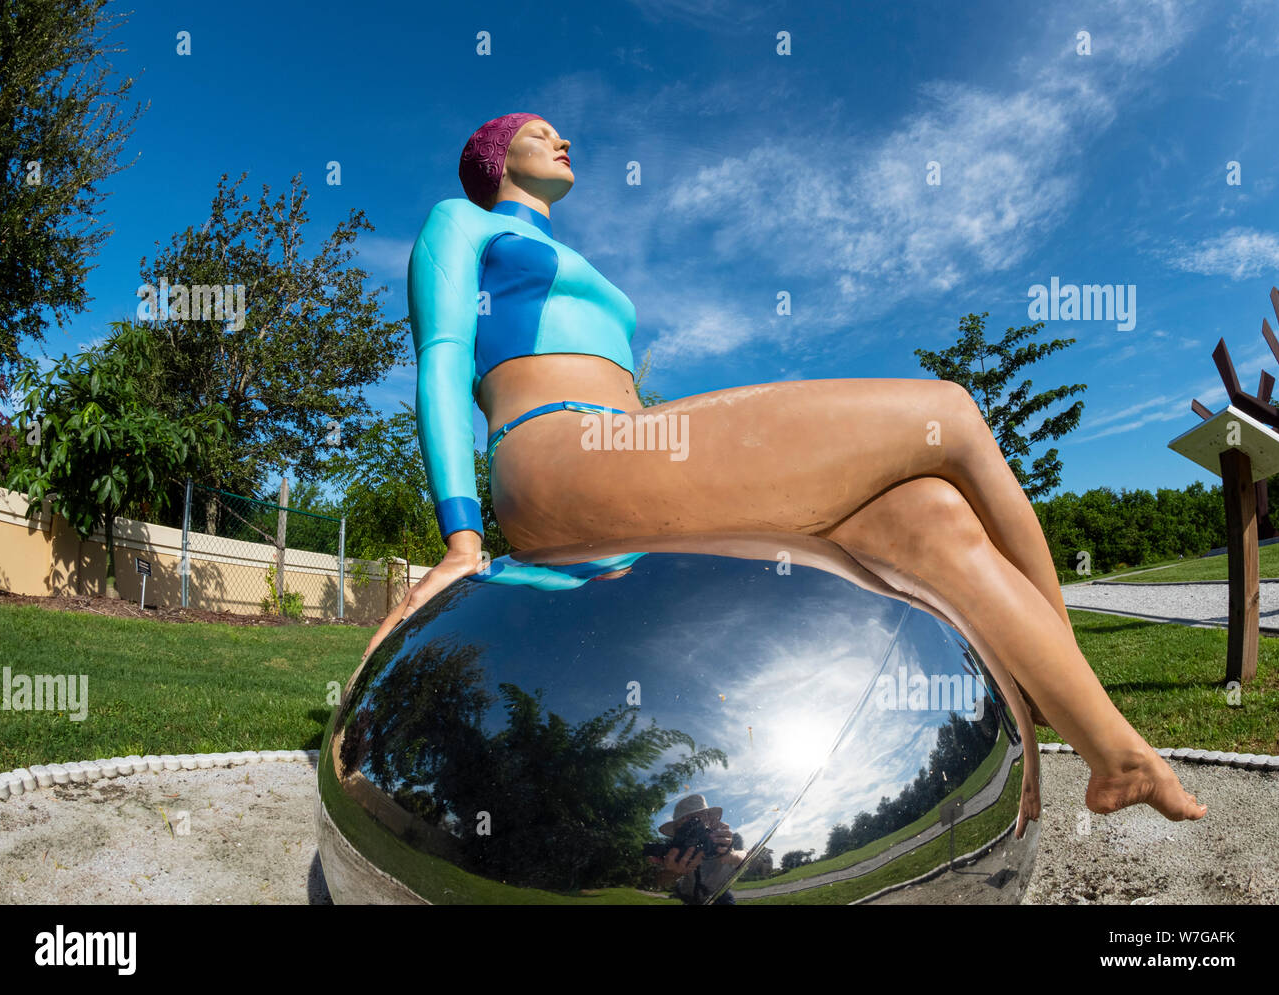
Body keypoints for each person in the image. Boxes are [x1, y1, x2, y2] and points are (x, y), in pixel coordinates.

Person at [365, 112, 1206, 825]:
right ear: (492, 156)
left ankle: (1107, 750)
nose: (564, 140)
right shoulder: (461, 223)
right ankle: (1061, 710)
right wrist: (462, 535)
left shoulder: (566, 254)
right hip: (555, 454)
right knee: (947, 411)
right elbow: (440, 361)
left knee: (928, 517)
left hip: (625, 448)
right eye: (538, 133)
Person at [648, 794, 746, 905]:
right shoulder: (673, 851)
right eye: (685, 824)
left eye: (696, 820)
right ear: (676, 831)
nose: (692, 826)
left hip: (721, 897)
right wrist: (673, 872)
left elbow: (746, 855)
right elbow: (658, 881)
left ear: (709, 821)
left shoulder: (721, 839)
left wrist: (730, 854)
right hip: (689, 900)